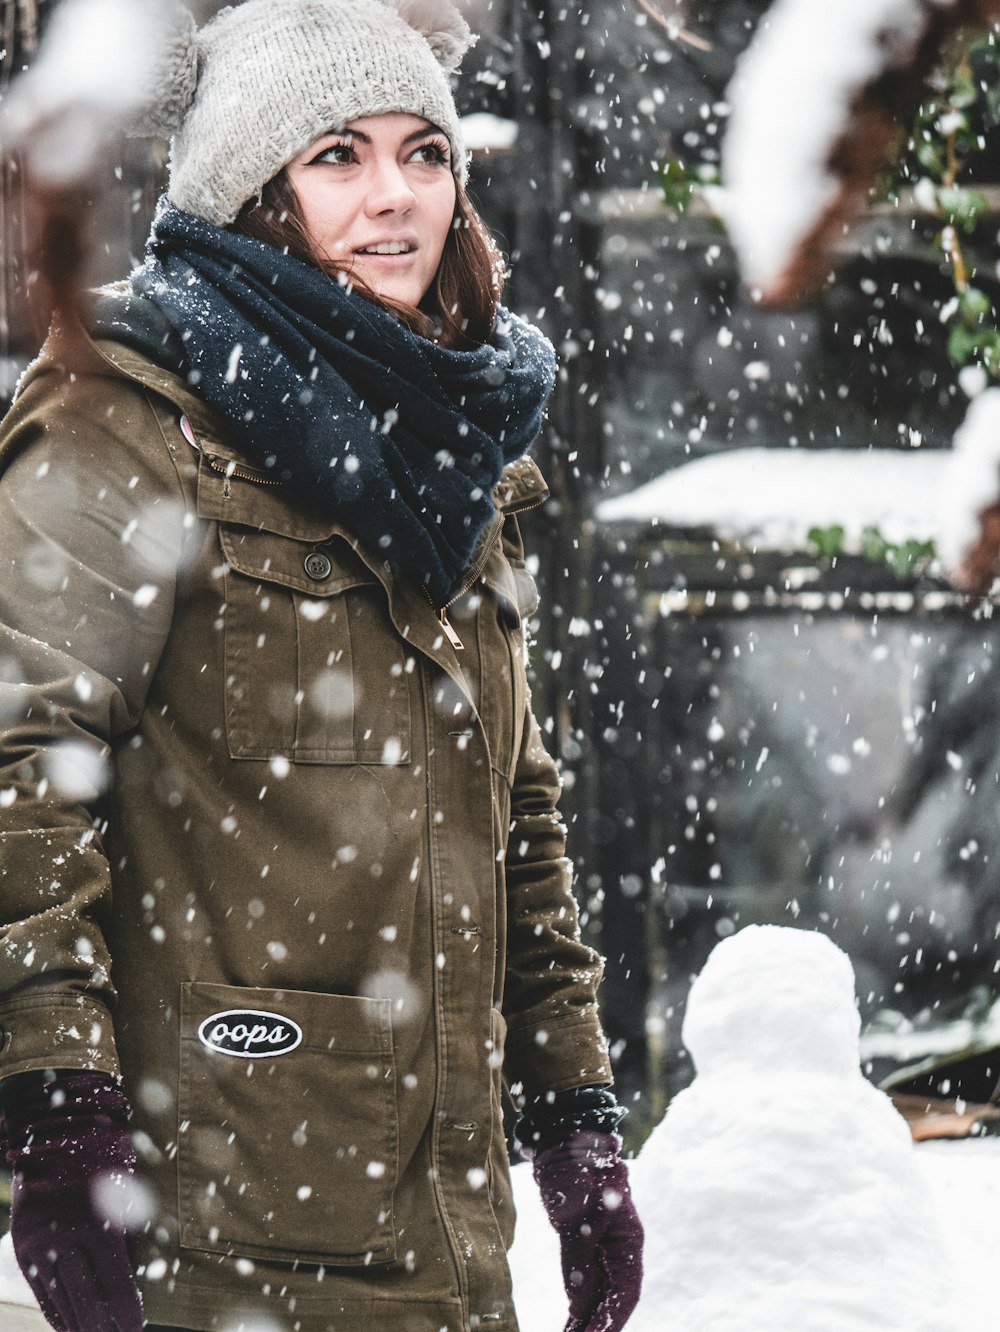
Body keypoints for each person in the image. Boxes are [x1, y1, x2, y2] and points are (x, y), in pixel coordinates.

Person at [0, 2, 644, 1331]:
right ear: (255, 191)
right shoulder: (126, 419)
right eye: (338, 156)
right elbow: (20, 769)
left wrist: (574, 1115)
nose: (396, 197)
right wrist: (59, 1116)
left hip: (447, 1238)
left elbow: (514, 816)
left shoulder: (461, 445)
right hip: (209, 1226)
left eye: (424, 152)